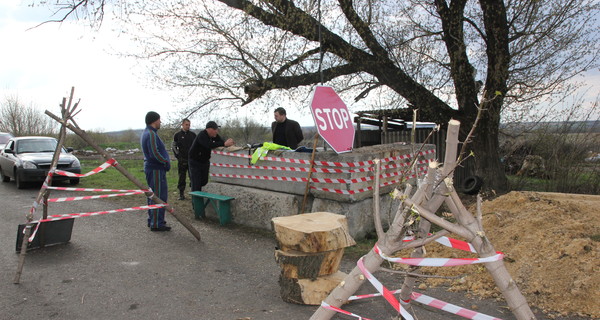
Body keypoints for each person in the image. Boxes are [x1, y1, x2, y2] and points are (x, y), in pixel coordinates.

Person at [140, 111, 171, 232]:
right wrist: (165, 162)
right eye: (159, 120)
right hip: (156, 169)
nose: (160, 122)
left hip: (153, 169)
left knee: (153, 195)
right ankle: (157, 223)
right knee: (158, 196)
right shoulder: (151, 134)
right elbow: (154, 153)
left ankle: (153, 220)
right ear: (154, 120)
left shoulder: (147, 132)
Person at [188, 121, 234, 192]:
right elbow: (208, 145)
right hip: (195, 161)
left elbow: (221, 142)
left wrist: (228, 143)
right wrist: (224, 144)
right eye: (215, 129)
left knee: (204, 181)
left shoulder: (214, 136)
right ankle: (196, 199)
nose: (216, 131)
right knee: (196, 183)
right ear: (209, 129)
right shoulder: (202, 135)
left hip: (205, 161)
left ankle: (194, 185)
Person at [172, 118, 197, 200]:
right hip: (182, 160)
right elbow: (174, 146)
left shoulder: (193, 135)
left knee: (192, 177)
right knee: (181, 178)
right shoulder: (177, 135)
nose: (188, 126)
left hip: (191, 160)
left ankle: (194, 193)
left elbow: (197, 146)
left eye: (189, 125)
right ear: (182, 125)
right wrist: (178, 156)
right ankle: (181, 194)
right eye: (186, 125)